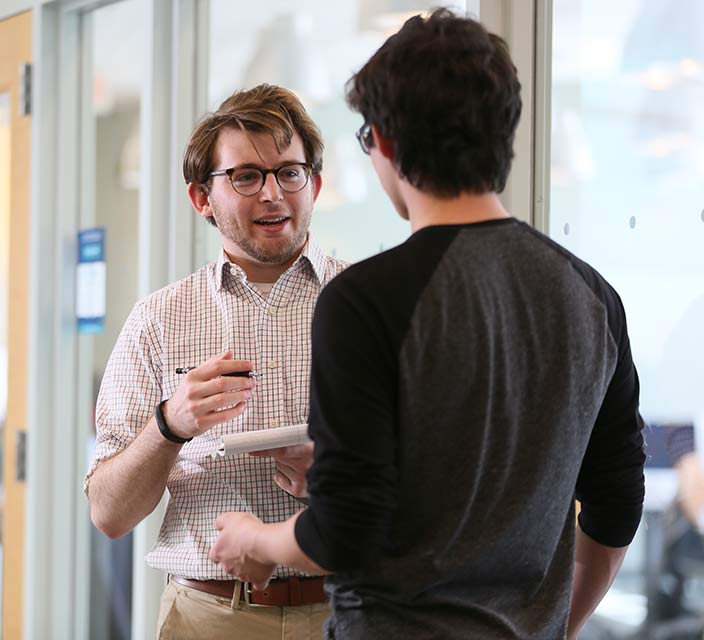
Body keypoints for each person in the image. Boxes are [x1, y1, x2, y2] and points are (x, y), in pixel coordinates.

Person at [210, 10, 646, 639]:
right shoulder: (591, 296)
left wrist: (256, 537)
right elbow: (616, 505)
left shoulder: (365, 300)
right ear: (506, 134)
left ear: (384, 142)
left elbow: (345, 528)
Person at [84, 83, 348, 638]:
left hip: (348, 612)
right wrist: (168, 425)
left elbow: (436, 476)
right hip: (208, 617)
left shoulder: (372, 303)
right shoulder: (158, 319)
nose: (273, 193)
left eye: (290, 172)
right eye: (246, 176)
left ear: (315, 184)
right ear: (202, 198)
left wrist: (333, 477)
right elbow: (109, 514)